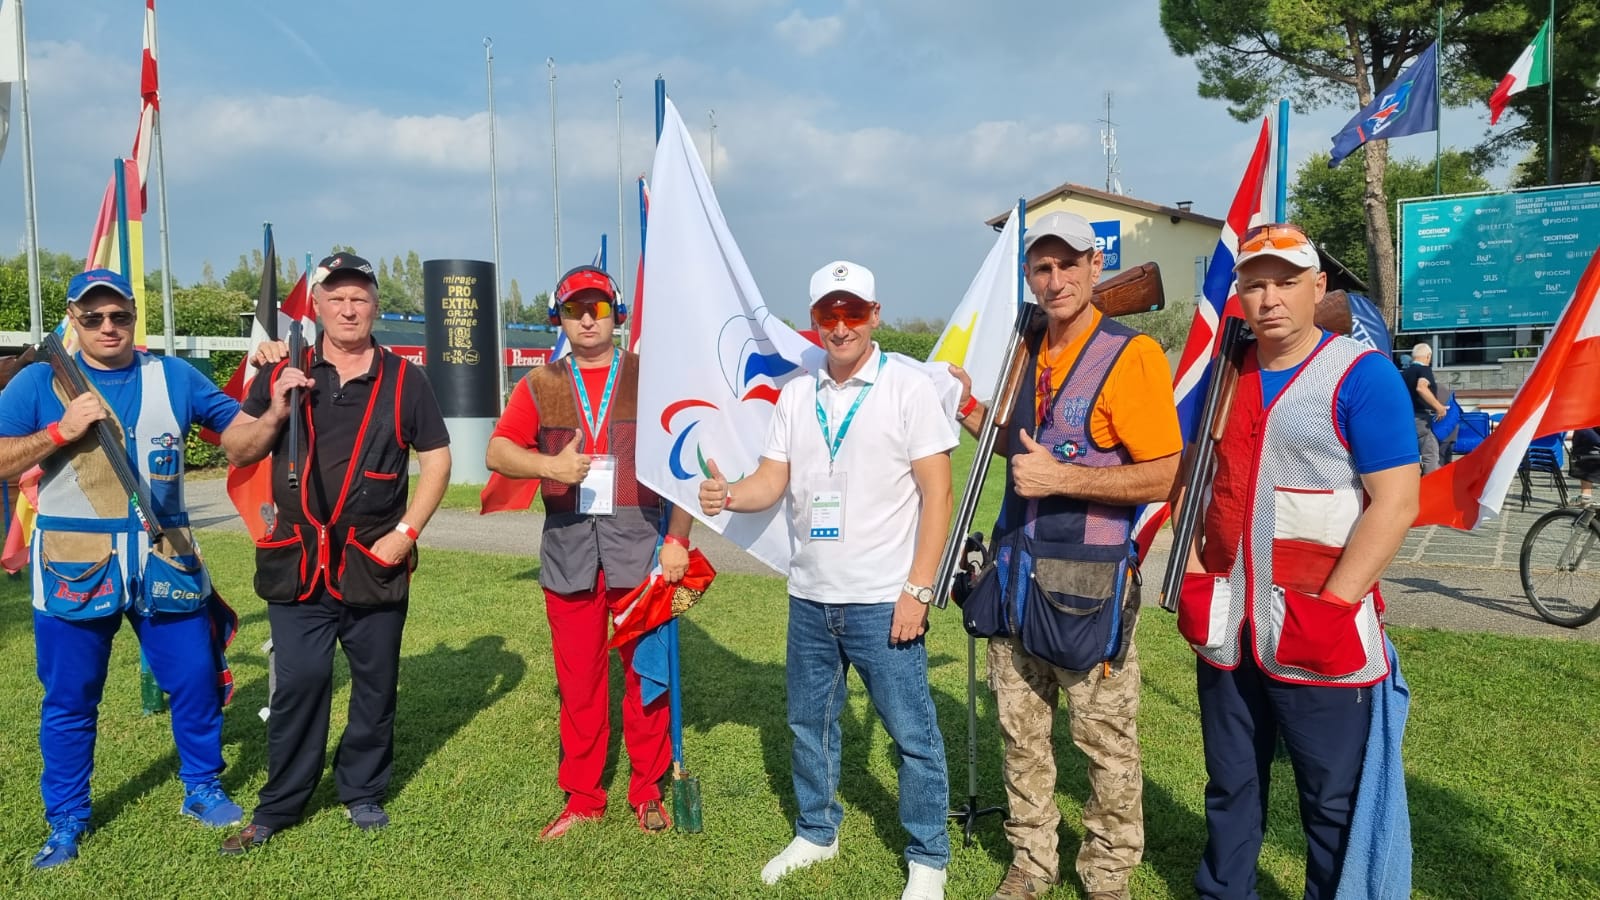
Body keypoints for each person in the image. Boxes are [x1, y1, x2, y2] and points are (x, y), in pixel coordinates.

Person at [699, 261, 955, 900]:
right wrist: (729, 493)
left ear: (875, 314)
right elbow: (771, 480)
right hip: (811, 597)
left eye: (852, 312)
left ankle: (929, 855)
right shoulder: (797, 394)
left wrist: (918, 590)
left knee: (911, 733)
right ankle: (817, 831)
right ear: (813, 321)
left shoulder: (907, 387)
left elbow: (938, 492)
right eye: (827, 315)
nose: (840, 327)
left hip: (883, 599)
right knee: (808, 724)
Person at [1178, 223, 1418, 899]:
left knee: (1332, 801)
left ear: (1319, 288)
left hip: (1321, 628)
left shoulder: (1360, 374)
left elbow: (1396, 503)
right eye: (1254, 284)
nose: (1270, 298)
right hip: (1230, 628)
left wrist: (1335, 605)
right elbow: (1193, 481)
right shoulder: (1222, 373)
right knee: (1231, 785)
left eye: (1286, 282)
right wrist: (1197, 576)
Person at [949, 212, 1181, 900]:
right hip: (1015, 582)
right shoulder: (1025, 348)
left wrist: (1065, 479)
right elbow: (1018, 446)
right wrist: (969, 408)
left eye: (1069, 264)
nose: (1055, 280)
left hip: (1087, 590)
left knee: (1105, 747)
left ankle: (1107, 874)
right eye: (1042, 268)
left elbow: (1169, 474)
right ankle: (1031, 863)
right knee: (1021, 741)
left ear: (1095, 266)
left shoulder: (1131, 355)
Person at [0, 269, 252, 868]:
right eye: (93, 317)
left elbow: (240, 433)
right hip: (73, 567)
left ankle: (202, 788)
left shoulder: (174, 375)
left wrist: (274, 396)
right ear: (73, 318)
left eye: (119, 315)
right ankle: (66, 819)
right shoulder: (40, 379)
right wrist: (60, 431)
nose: (108, 327)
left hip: (166, 559)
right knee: (69, 700)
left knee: (194, 682)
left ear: (135, 315)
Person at [218, 253, 452, 853]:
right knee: (301, 680)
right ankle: (281, 803)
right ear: (316, 305)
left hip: (373, 559)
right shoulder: (282, 370)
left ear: (376, 306)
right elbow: (237, 451)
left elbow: (438, 459)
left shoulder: (406, 379)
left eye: (361, 298)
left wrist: (408, 531)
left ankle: (362, 790)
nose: (349, 309)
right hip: (296, 562)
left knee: (376, 684)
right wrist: (274, 409)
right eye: (337, 297)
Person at [486, 265, 693, 839]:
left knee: (647, 677)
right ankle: (583, 797)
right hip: (570, 553)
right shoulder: (540, 384)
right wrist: (547, 465)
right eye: (575, 308)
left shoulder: (650, 380)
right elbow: (499, 452)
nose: (586, 318)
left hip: (640, 550)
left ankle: (647, 789)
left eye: (598, 308)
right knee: (579, 683)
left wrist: (677, 538)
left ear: (616, 316)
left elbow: (685, 465)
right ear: (559, 317)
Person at [1402, 343, 1448, 474]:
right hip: (1420, 419)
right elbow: (1421, 387)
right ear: (1428, 356)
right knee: (1431, 455)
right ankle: (1430, 490)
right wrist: (1439, 407)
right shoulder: (1424, 370)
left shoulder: (1404, 373)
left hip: (1405, 419)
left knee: (1410, 457)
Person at [1571, 427, 1600, 504]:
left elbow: (1577, 440)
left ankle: (1586, 494)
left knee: (1586, 457)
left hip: (1588, 454)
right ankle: (1585, 495)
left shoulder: (1584, 424)